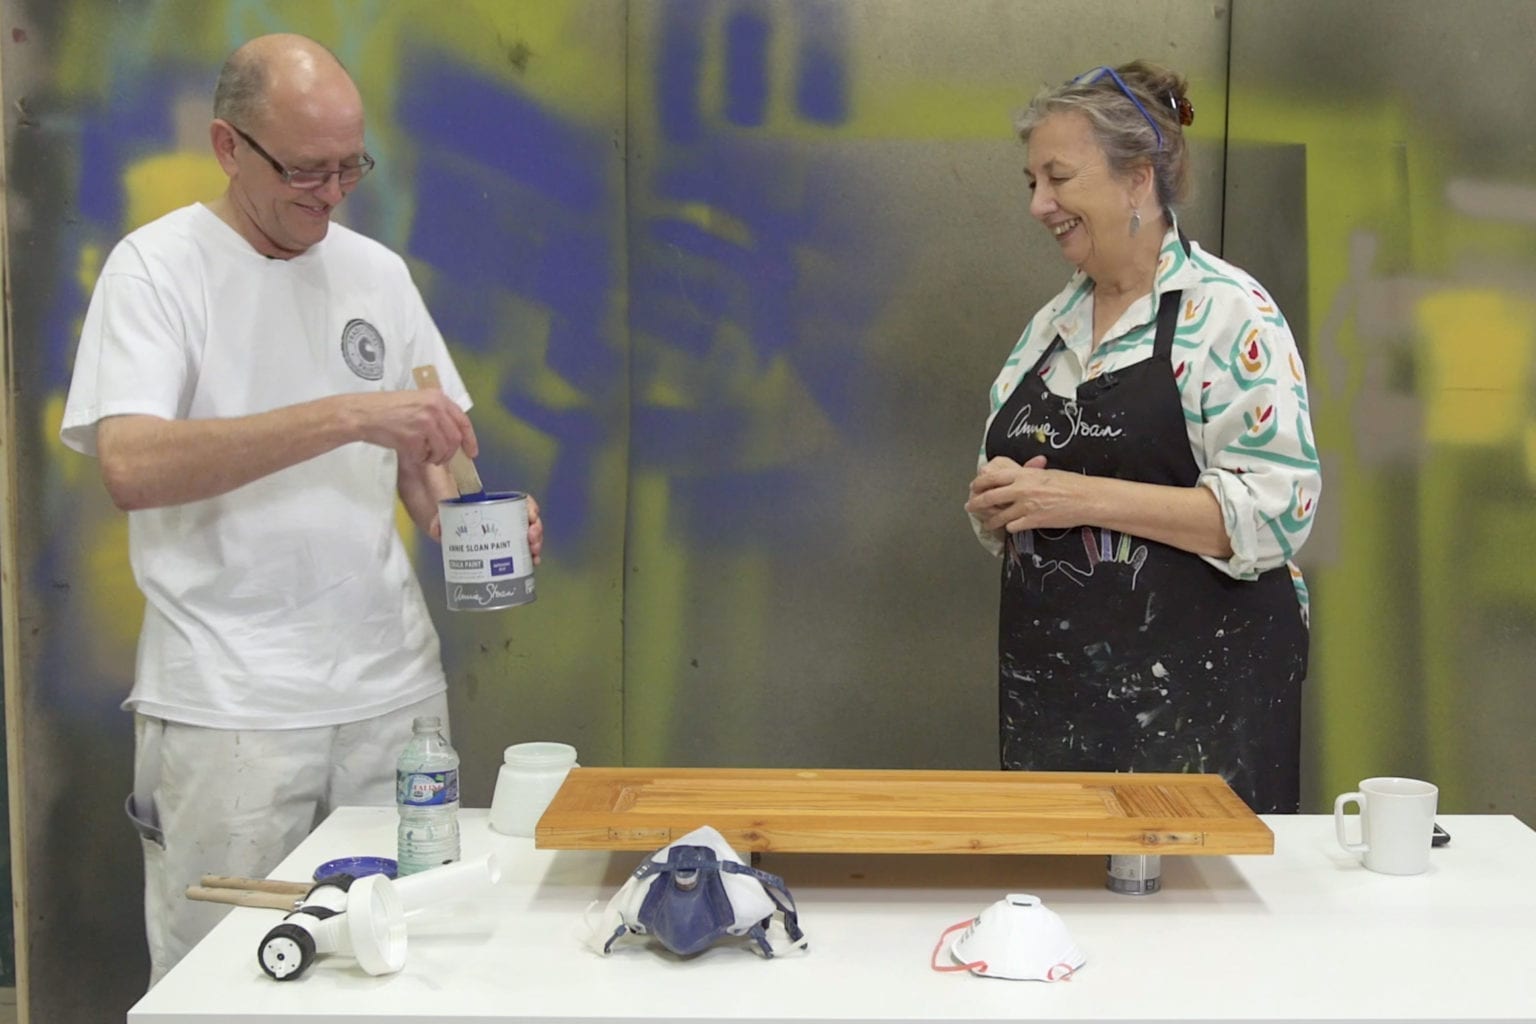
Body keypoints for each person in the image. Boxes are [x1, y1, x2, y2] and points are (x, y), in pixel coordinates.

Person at [59, 33, 543, 984]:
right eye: (307, 170)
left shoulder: (377, 275)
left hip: (394, 701)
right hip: (230, 707)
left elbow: (429, 473)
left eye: (350, 168)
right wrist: (350, 413)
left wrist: (478, 525)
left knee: (416, 961)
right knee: (231, 977)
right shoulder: (156, 270)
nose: (331, 193)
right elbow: (131, 464)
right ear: (229, 145)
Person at [964, 61, 1319, 814]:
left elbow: (1277, 514)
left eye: (1058, 178)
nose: (1039, 204)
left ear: (1138, 180)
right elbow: (1014, 498)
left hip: (1199, 717)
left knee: (1191, 923)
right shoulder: (1048, 330)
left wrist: (1073, 495)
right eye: (1030, 182)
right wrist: (999, 501)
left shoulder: (1227, 315)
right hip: (1056, 707)